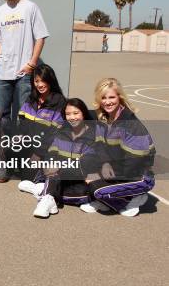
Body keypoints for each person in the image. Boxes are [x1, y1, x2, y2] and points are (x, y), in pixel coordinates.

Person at [80, 78, 155, 217]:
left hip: (138, 175)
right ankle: (111, 197)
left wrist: (101, 177)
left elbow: (134, 163)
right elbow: (99, 146)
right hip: (118, 166)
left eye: (112, 97)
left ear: (119, 97)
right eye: (103, 97)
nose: (107, 102)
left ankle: (133, 198)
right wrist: (104, 164)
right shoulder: (103, 118)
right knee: (84, 161)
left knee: (95, 188)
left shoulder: (130, 124)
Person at [0, 0, 49, 120]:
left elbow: (40, 37)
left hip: (24, 71)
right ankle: (5, 143)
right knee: (2, 113)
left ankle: (21, 143)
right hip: (3, 72)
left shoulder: (30, 8)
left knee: (24, 114)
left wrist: (32, 63)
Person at [28, 98, 97, 218]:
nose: (72, 117)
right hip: (58, 176)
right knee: (51, 169)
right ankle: (47, 199)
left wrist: (61, 167)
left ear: (84, 113)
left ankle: (42, 190)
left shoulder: (92, 137)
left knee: (88, 195)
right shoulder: (61, 132)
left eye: (76, 113)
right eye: (68, 114)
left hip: (78, 178)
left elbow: (85, 166)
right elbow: (51, 153)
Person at [16, 64, 66, 184]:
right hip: (30, 144)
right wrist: (21, 136)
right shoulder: (31, 98)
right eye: (36, 81)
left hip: (46, 150)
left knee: (26, 179)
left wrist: (38, 154)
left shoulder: (59, 101)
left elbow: (55, 134)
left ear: (50, 80)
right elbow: (22, 118)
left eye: (43, 80)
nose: (40, 84)